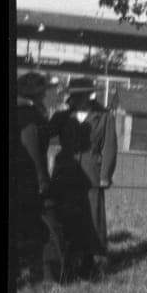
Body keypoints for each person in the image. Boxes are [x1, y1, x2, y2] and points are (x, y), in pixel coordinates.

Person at [48, 77, 118, 278]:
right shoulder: (62, 116)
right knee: (66, 218)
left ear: (89, 94)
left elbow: (110, 147)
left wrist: (105, 175)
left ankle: (89, 265)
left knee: (91, 220)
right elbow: (45, 134)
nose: (76, 98)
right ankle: (65, 264)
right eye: (74, 94)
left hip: (92, 173)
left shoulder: (105, 117)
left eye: (80, 94)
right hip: (65, 173)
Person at [14, 72, 59, 284]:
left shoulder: (26, 111)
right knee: (43, 228)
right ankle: (44, 276)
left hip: (22, 181)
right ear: (37, 92)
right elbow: (33, 152)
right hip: (30, 182)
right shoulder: (28, 114)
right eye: (45, 90)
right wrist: (42, 182)